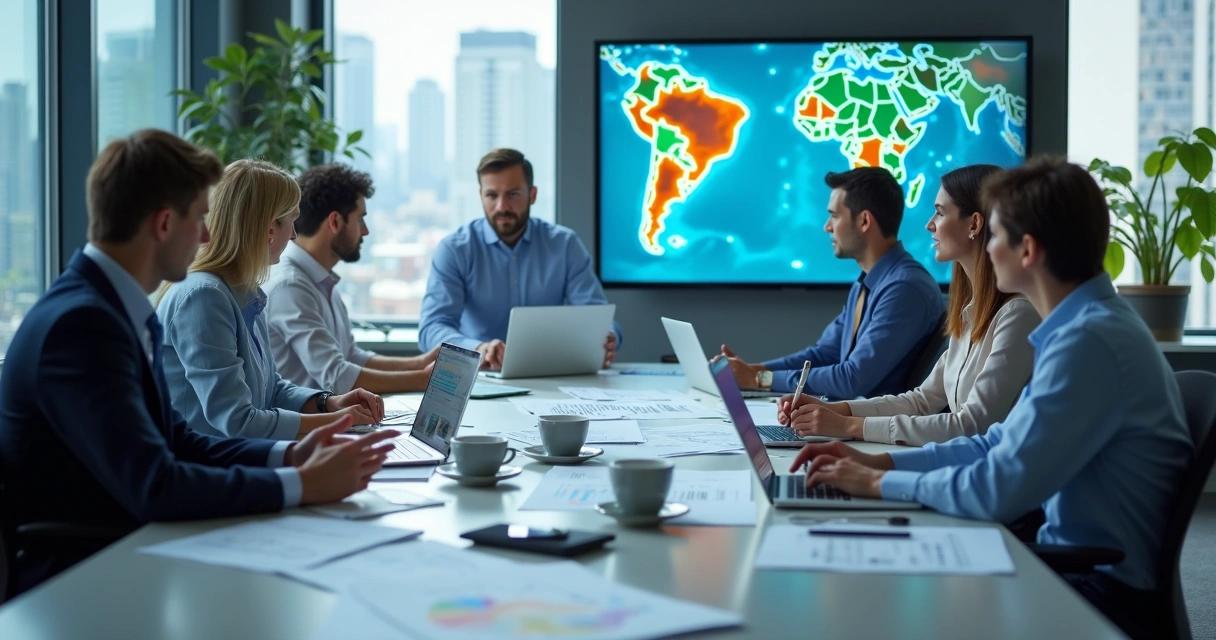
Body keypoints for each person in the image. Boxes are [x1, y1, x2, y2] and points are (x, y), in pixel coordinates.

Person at [786, 157, 1193, 640]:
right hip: (1069, 566)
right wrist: (882, 467)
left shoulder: (1090, 343)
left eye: (996, 235)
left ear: (1027, 250)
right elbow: (994, 442)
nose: (988, 249)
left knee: (871, 605)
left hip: (1093, 590)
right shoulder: (1084, 329)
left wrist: (876, 485)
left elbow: (996, 488)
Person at [0, 130, 399, 593]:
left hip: (134, 544)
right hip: (86, 576)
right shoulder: (82, 325)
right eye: (199, 218)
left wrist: (292, 454)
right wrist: (301, 485)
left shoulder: (112, 308)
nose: (208, 234)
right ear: (165, 224)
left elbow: (179, 438)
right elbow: (155, 483)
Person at [779, 165, 1039, 445]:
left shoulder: (1017, 315)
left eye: (940, 212)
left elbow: (973, 424)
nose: (930, 224)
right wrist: (833, 410)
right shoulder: (969, 312)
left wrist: (849, 426)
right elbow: (922, 400)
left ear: (974, 224)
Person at [157, 159, 385, 440]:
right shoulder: (203, 297)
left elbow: (272, 389)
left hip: (238, 458)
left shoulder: (243, 291)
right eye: (291, 222)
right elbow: (238, 420)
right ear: (267, 229)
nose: (293, 234)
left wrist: (328, 403)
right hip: (206, 470)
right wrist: (335, 422)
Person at [718, 167, 945, 399]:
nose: (827, 226)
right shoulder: (867, 283)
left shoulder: (904, 288)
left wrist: (758, 380)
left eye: (835, 216)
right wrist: (751, 371)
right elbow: (825, 354)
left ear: (865, 221)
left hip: (873, 431)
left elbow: (852, 378)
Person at [418, 148, 621, 369]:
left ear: (532, 195)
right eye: (492, 195)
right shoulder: (455, 249)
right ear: (481, 196)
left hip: (550, 374)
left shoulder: (565, 245)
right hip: (478, 375)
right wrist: (478, 349)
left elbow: (596, 316)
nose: (502, 206)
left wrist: (608, 336)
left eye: (513, 194)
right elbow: (432, 328)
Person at [265, 163, 435, 394]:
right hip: (306, 425)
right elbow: (337, 377)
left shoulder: (320, 279)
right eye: (360, 219)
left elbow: (351, 356)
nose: (365, 231)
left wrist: (420, 363)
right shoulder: (291, 285)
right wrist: (422, 380)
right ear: (335, 222)